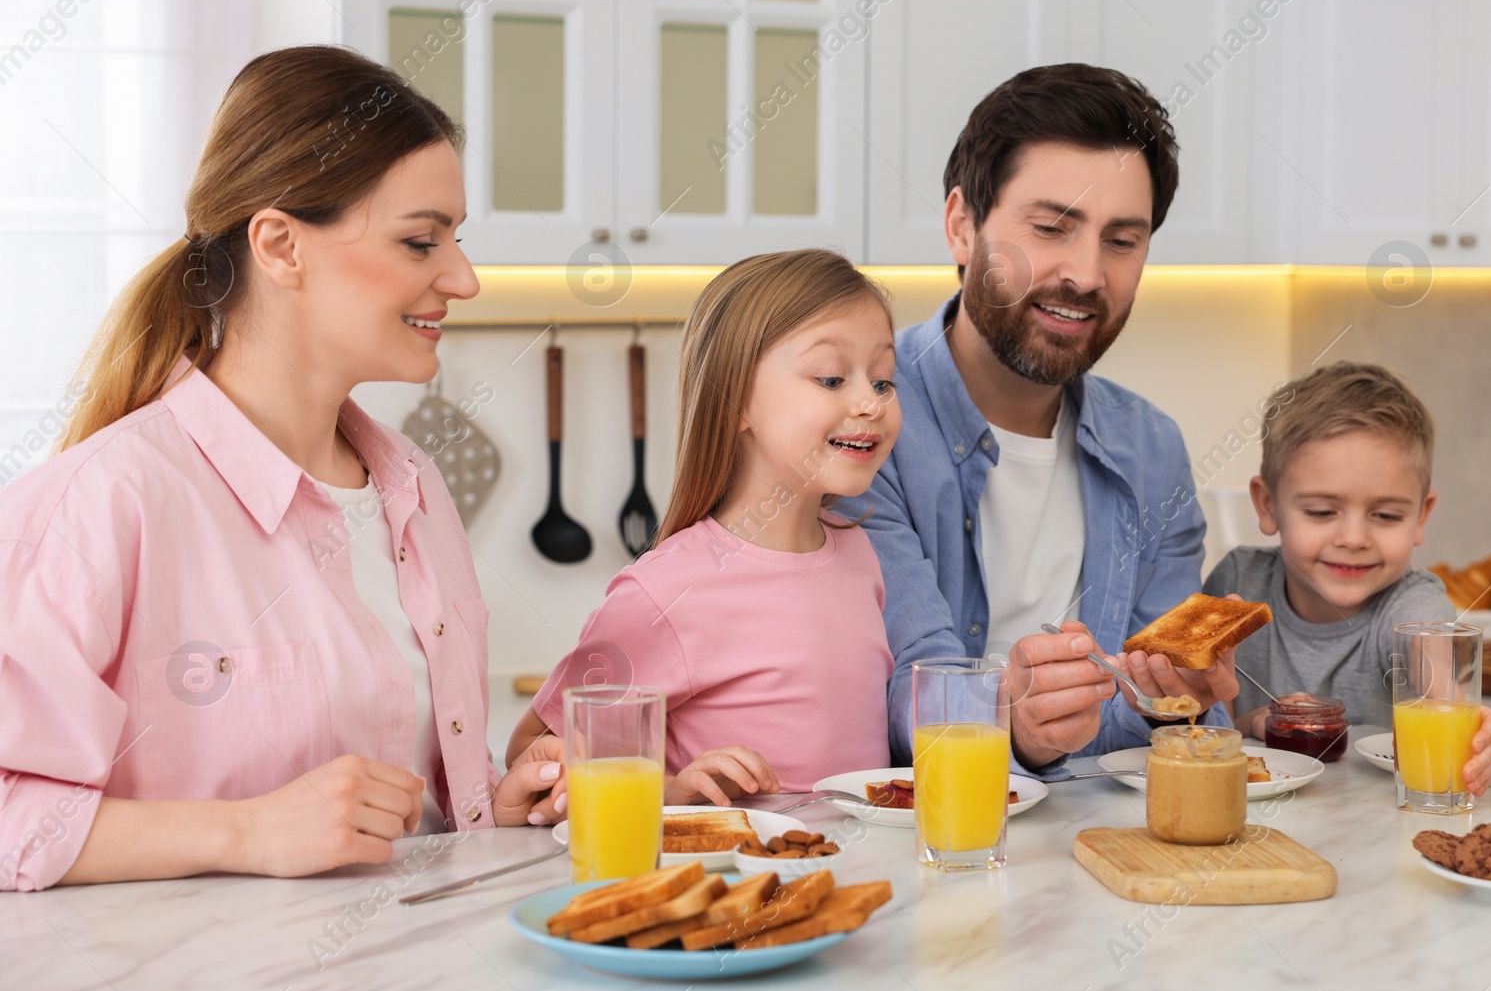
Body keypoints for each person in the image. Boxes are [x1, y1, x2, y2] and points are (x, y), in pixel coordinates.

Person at [0, 46, 559, 892]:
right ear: (279, 245)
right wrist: (245, 829)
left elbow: (412, 804)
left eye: (458, 239)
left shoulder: (414, 490)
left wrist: (495, 808)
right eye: (420, 241)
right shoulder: (100, 504)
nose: (465, 278)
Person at [837, 63, 1240, 778]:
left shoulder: (1153, 451)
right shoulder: (864, 424)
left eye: (1122, 240)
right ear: (962, 226)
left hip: (1097, 855)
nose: (1086, 274)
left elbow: (1132, 714)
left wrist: (1169, 700)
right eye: (1052, 227)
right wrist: (1009, 724)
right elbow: (899, 696)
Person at [506, 250, 899, 806]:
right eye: (832, 377)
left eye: (884, 381)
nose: (870, 402)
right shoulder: (667, 590)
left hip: (858, 883)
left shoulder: (861, 555)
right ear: (734, 400)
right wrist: (672, 791)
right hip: (739, 886)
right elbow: (535, 752)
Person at [1205, 362, 1491, 794]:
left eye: (1385, 515)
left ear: (1421, 515)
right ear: (1267, 505)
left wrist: (1471, 726)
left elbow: (1441, 685)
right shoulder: (1237, 582)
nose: (1353, 538)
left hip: (1375, 833)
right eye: (1322, 512)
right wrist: (1252, 724)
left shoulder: (1412, 604)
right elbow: (1205, 731)